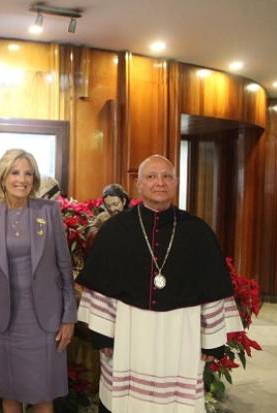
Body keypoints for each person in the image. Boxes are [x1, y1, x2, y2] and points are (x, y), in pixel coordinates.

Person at [77, 154, 243, 413]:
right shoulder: (114, 231)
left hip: (181, 334)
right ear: (139, 185)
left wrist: (212, 341)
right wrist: (102, 335)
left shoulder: (198, 232)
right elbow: (102, 290)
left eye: (167, 176)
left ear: (176, 183)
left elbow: (212, 292)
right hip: (128, 331)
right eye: (151, 176)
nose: (160, 182)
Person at [0, 148, 76, 413]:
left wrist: (69, 317)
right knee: (11, 393)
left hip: (46, 319)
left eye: (28, 173)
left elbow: (65, 266)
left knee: (43, 395)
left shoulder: (49, 211)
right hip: (6, 319)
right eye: (15, 172)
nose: (22, 179)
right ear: (3, 177)